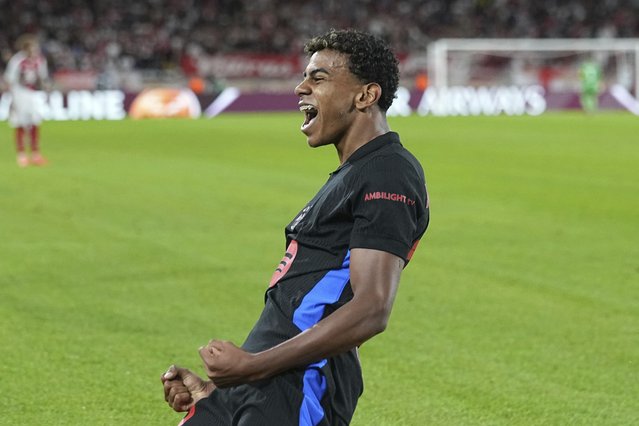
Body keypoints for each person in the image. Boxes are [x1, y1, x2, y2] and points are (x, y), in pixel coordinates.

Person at [161, 29, 430, 426]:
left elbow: (372, 307)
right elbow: (301, 302)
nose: (300, 87)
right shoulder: (351, 174)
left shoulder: (388, 172)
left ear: (365, 95)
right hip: (260, 383)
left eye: (318, 78)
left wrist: (252, 367)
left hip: (302, 385)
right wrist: (224, 388)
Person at [4, 34, 49, 167]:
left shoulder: (40, 60)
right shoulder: (17, 60)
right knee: (20, 123)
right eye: (33, 47)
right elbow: (9, 79)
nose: (35, 50)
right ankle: (21, 155)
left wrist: (45, 88)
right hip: (20, 93)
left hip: (34, 94)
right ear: (25, 48)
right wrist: (12, 98)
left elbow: (42, 77)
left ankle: (35, 154)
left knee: (35, 121)